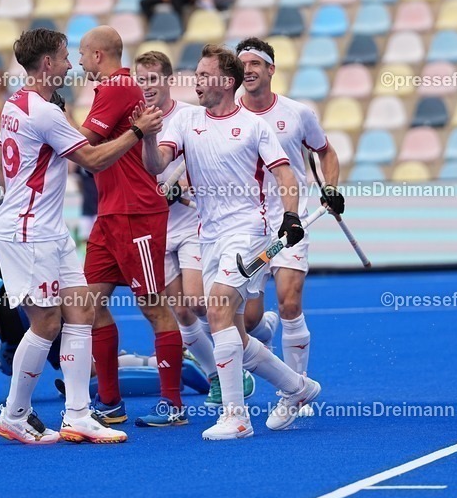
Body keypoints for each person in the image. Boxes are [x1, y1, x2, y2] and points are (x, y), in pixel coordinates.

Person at [0, 28, 163, 444]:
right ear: (47, 63)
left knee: (81, 311)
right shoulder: (45, 112)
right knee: (47, 322)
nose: (71, 64)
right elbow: (93, 160)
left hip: (49, 229)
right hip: (28, 232)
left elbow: (0, 165)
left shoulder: (18, 102)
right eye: (66, 57)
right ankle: (14, 413)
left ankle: (78, 414)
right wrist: (137, 131)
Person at [141, 45, 321, 440]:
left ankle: (236, 417)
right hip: (209, 236)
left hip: (248, 233)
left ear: (225, 81)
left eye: (204, 75)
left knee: (219, 309)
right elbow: (156, 165)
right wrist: (148, 137)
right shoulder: (186, 121)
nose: (197, 82)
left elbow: (286, 176)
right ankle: (297, 387)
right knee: (233, 331)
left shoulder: (257, 127)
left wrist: (290, 215)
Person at [134, 50, 256, 408]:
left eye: (153, 79)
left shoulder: (190, 116)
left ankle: (246, 349)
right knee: (183, 312)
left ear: (168, 80)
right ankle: (218, 375)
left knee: (200, 305)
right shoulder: (137, 119)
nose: (147, 87)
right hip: (155, 226)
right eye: (141, 80)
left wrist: (180, 185)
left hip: (192, 225)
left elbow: (207, 160)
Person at [77, 26, 185, 428]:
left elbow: (81, 145)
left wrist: (39, 123)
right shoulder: (112, 91)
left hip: (136, 213)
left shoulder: (117, 88)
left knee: (152, 305)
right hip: (111, 213)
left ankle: (173, 406)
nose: (79, 61)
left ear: (100, 55)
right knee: (88, 305)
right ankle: (110, 402)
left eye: (84, 54)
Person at [234, 37, 344, 399]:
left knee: (290, 301)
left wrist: (330, 187)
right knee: (246, 321)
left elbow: (326, 153)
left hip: (290, 221)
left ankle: (295, 392)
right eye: (242, 65)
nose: (247, 71)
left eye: (255, 64)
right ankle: (263, 327)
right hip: (247, 225)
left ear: (270, 70)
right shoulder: (228, 113)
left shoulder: (298, 114)